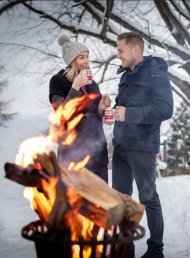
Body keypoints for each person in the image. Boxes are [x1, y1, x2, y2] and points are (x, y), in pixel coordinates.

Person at [112, 32, 173, 258]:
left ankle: (155, 251)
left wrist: (129, 114)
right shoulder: (126, 75)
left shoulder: (155, 72)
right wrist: (114, 110)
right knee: (121, 200)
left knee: (148, 198)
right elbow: (124, 107)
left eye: (121, 51)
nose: (118, 55)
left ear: (135, 50)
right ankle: (125, 250)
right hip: (120, 146)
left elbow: (165, 109)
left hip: (142, 146)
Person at [49, 35, 111, 182]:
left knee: (99, 197)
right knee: (75, 198)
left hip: (97, 148)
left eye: (87, 57)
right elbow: (62, 114)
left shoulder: (93, 84)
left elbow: (95, 117)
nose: (87, 61)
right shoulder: (58, 81)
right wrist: (75, 87)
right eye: (81, 57)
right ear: (72, 61)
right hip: (72, 150)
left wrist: (101, 108)